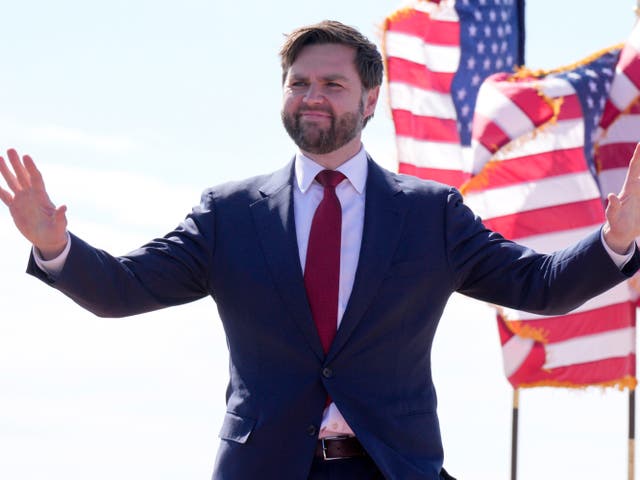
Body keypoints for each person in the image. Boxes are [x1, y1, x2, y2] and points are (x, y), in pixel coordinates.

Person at [1, 20, 640, 480]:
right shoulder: (228, 214)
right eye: (298, 81)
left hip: (391, 466)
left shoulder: (429, 214)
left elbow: (541, 288)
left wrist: (617, 238)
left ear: (369, 100)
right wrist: (56, 247)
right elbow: (121, 291)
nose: (312, 95)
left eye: (331, 84)